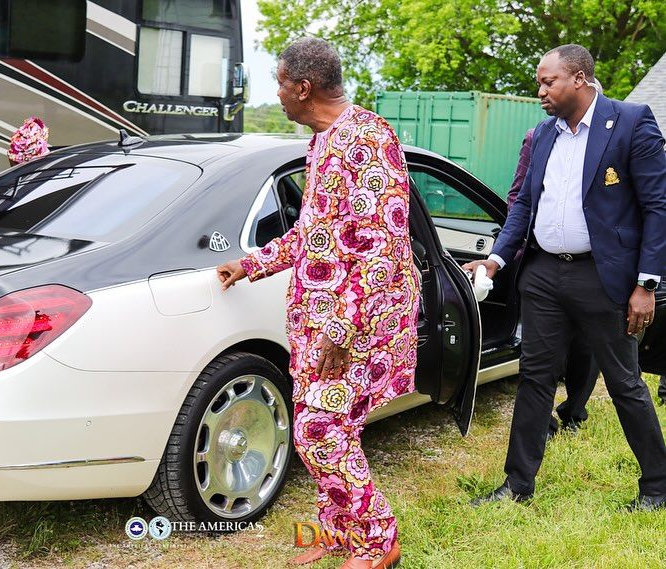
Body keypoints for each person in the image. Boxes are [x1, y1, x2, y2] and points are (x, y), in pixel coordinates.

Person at [216, 38, 418, 569]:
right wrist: (250, 264)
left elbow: (383, 242)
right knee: (329, 427)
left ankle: (379, 541)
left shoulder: (366, 138)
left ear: (303, 88)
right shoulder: (322, 141)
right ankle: (333, 534)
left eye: (280, 83)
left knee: (318, 430)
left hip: (356, 320)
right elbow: (316, 233)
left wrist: (342, 327)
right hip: (316, 317)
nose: (277, 94)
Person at [465, 44, 666, 512]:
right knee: (534, 378)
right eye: (539, 82)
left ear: (579, 78)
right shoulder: (542, 135)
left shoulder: (632, 122)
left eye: (547, 81)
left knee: (624, 383)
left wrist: (647, 284)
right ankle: (517, 485)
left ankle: (657, 485)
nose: (540, 91)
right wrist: (495, 261)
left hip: (605, 278)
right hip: (543, 276)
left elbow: (658, 207)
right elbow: (523, 206)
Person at [507, 77, 604, 439]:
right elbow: (519, 194)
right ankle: (542, 423)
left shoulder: (612, 136)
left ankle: (574, 410)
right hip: (544, 261)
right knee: (542, 354)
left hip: (595, 267)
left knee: (587, 347)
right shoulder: (538, 136)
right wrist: (514, 246)